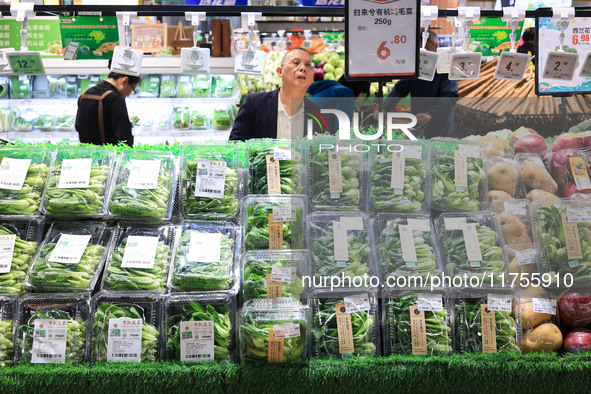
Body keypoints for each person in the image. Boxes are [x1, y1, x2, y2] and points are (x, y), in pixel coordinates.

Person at [229, 48, 324, 140]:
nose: (303, 68)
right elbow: (235, 145)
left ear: (312, 78)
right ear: (280, 71)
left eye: (308, 65)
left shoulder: (319, 115)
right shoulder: (254, 104)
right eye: (296, 63)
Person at [383, 29, 458, 139]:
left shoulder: (445, 67)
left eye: (425, 49)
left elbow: (450, 96)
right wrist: (385, 108)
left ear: (435, 46)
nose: (422, 54)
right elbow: (400, 88)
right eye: (419, 50)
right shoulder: (415, 66)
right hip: (419, 125)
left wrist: (431, 114)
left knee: (440, 153)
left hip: (441, 125)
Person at [75, 62, 140, 147]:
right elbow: (124, 137)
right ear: (124, 81)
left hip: (86, 155)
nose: (129, 94)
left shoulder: (85, 94)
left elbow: (78, 126)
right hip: (108, 158)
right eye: (132, 89)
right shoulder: (116, 99)